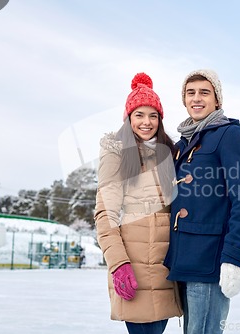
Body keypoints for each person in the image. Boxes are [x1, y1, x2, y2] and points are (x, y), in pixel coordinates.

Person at [163, 69, 240, 334]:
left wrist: (235, 257)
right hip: (184, 259)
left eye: (205, 92)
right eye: (190, 93)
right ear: (184, 100)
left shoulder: (230, 135)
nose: (197, 98)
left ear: (217, 100)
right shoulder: (184, 143)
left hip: (210, 259)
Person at [94, 72, 182, 334]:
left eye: (153, 115)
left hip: (166, 267)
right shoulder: (117, 153)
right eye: (139, 115)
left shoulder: (169, 154)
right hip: (134, 268)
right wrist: (119, 264)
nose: (147, 122)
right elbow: (105, 214)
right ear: (128, 117)